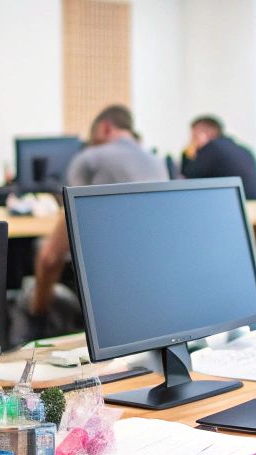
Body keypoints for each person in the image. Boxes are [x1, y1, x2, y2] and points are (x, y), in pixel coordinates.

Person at [25, 104, 163, 324]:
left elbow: (50, 258)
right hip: (155, 298)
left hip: (105, 308)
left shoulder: (91, 158)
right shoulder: (157, 162)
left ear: (105, 128)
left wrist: (37, 313)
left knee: (30, 281)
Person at [181, 114, 256, 199]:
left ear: (202, 135)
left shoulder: (212, 148)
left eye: (193, 136)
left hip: (239, 203)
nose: (191, 140)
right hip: (255, 202)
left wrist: (189, 151)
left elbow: (189, 178)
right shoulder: (240, 148)